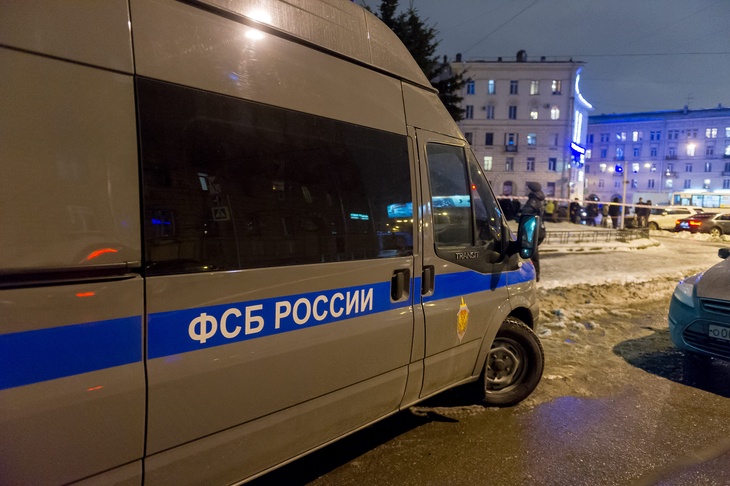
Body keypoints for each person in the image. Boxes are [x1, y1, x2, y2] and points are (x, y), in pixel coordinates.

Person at [521, 182, 546, 281]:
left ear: (531, 190)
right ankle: (535, 274)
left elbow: (526, 216)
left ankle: (533, 275)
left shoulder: (532, 201)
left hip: (532, 230)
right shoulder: (540, 200)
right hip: (539, 229)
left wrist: (519, 218)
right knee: (533, 252)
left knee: (529, 252)